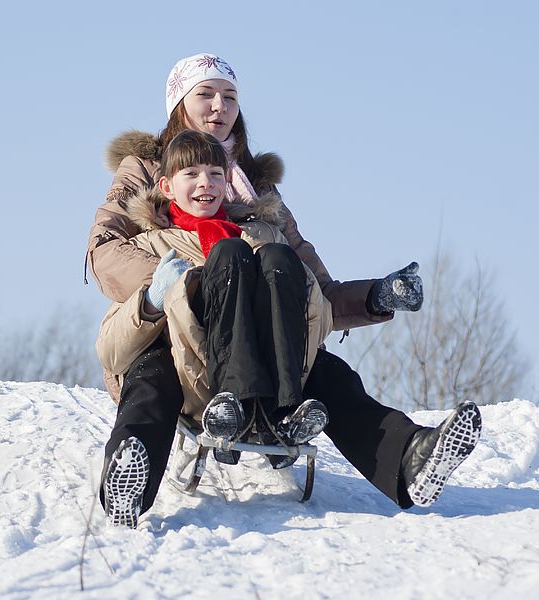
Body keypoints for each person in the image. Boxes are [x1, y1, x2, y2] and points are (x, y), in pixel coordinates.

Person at [87, 53, 482, 528]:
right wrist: (190, 283)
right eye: (205, 95)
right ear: (179, 106)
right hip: (177, 333)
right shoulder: (146, 169)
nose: (219, 107)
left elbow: (310, 286)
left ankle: (408, 459)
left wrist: (376, 295)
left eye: (230, 97)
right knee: (153, 383)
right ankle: (131, 477)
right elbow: (107, 253)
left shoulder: (258, 194)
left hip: (257, 340)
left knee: (327, 373)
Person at [97, 129, 332, 472]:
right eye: (191, 174)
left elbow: (318, 309)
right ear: (166, 187)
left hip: (274, 369)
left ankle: (285, 416)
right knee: (151, 379)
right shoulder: (153, 244)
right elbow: (109, 350)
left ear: (228, 183)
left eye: (215, 175)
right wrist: (151, 298)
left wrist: (369, 298)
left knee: (278, 260)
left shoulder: (263, 234)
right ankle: (133, 471)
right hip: (194, 369)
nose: (205, 183)